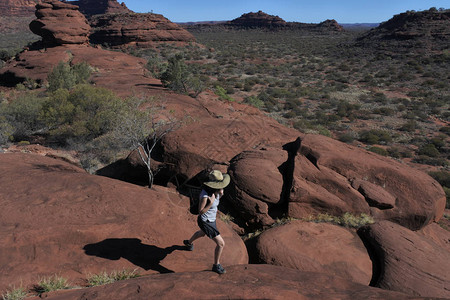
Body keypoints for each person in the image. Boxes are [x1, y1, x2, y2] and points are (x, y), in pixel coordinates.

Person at [184, 170, 230, 274]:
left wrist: (220, 194)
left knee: (202, 233)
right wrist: (211, 203)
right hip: (205, 221)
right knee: (221, 244)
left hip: (211, 220)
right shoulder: (205, 196)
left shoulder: (216, 191)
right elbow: (200, 211)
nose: (222, 187)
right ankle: (216, 265)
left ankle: (188, 243)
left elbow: (218, 197)